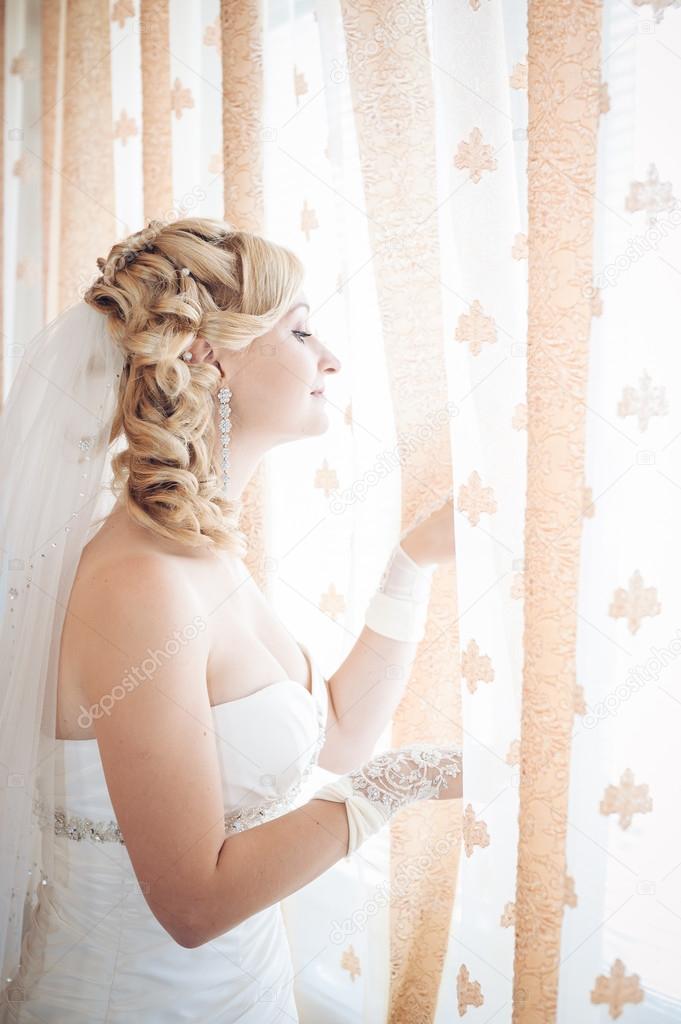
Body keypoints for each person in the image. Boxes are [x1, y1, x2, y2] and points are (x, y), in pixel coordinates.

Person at [0, 217, 461, 1022]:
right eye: (302, 329)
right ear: (208, 355)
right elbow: (194, 904)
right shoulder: (140, 582)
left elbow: (340, 734)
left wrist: (408, 563)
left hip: (245, 995)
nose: (330, 358)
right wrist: (403, 779)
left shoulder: (202, 553)